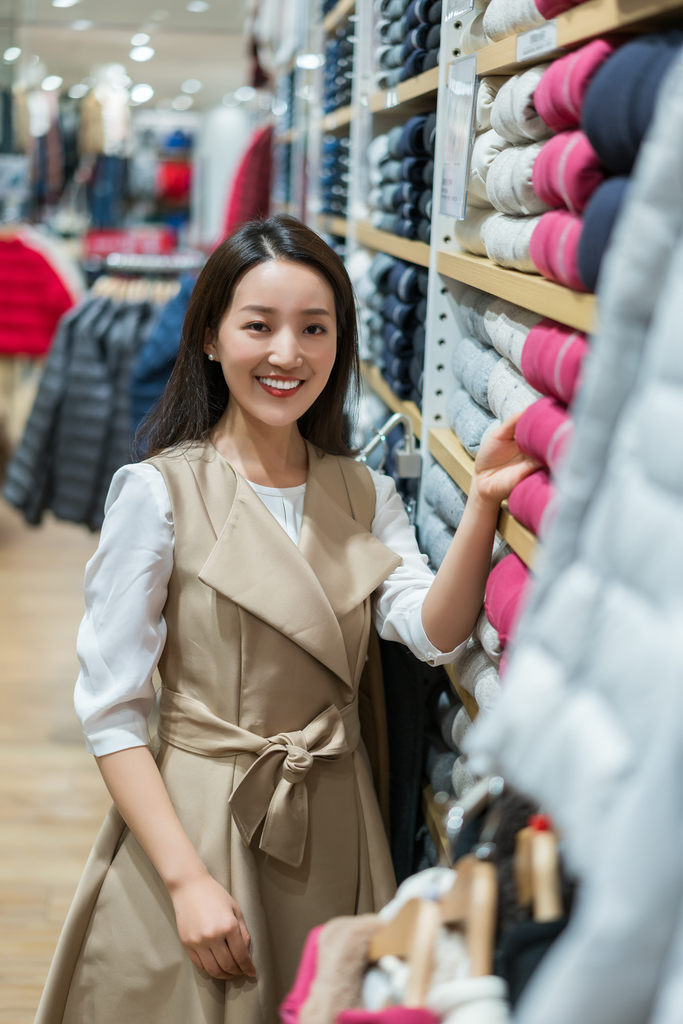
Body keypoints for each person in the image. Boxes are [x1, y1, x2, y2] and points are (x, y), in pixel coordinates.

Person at [35, 216, 538, 1024]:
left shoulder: (362, 491)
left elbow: (432, 632)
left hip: (336, 812)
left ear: (340, 344)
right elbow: (113, 710)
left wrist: (481, 502)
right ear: (208, 337)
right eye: (258, 326)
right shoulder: (158, 492)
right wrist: (185, 880)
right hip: (203, 816)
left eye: (314, 329)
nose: (286, 355)